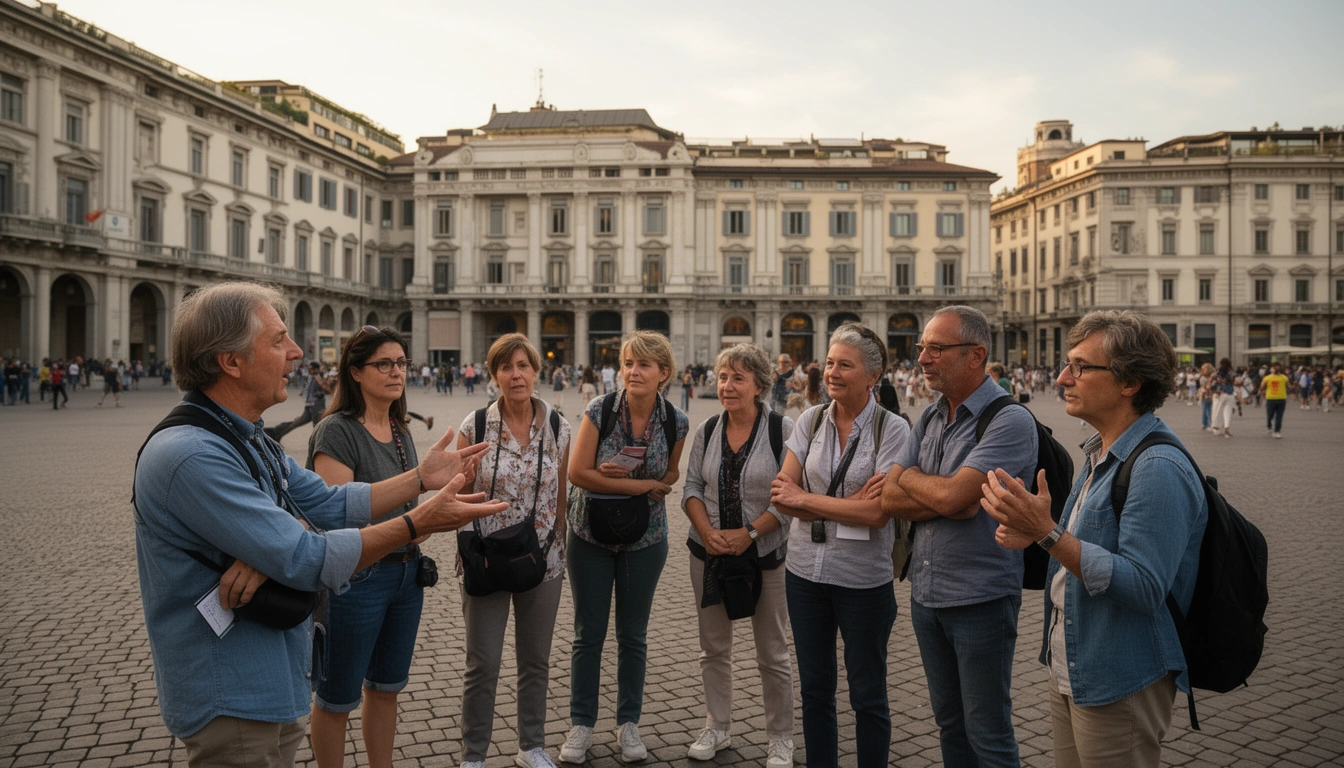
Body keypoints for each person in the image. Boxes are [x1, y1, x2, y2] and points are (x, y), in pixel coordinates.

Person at [133, 282, 501, 768]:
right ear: (231, 361)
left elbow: (328, 502)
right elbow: (307, 559)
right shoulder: (194, 453)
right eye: (277, 340)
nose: (296, 352)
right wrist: (418, 521)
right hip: (232, 692)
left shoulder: (247, 437)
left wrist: (419, 478)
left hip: (271, 678)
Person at [980, 310, 1206, 768]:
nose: (1064, 377)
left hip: (1120, 673)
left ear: (1129, 382)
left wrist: (1046, 532)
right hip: (1076, 661)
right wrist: (1036, 534)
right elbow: (1079, 547)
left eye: (1081, 366)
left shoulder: (1156, 466)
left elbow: (1143, 586)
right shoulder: (1102, 450)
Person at [880, 305, 1038, 768]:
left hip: (980, 599)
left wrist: (916, 480)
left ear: (976, 355)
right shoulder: (930, 417)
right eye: (922, 347)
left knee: (987, 731)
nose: (922, 358)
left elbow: (954, 499)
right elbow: (890, 496)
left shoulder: (1009, 420)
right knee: (949, 723)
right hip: (927, 596)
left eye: (936, 348)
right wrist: (937, 490)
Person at [769, 324, 909, 768]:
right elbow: (780, 495)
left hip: (863, 579)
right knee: (815, 691)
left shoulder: (895, 430)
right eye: (829, 362)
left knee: (868, 694)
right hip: (805, 574)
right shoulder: (809, 421)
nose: (832, 372)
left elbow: (877, 514)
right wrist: (843, 504)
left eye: (844, 365)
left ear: (874, 375)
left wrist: (806, 500)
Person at [304, 325, 435, 768]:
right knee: (337, 698)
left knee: (385, 689)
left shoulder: (400, 430)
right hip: (356, 580)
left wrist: (433, 517)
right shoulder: (336, 431)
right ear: (356, 372)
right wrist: (416, 519)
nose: (396, 372)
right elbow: (335, 515)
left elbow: (409, 509)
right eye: (384, 364)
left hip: (405, 575)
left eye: (401, 363)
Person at [562, 331, 689, 764]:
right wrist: (625, 479)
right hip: (590, 535)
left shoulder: (677, 421)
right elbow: (578, 473)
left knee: (633, 636)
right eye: (628, 363)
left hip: (646, 537)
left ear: (663, 374)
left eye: (644, 365)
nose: (633, 372)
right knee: (588, 634)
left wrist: (658, 485)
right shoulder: (600, 409)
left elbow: (671, 474)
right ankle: (581, 724)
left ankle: (628, 723)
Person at [455, 334, 572, 768]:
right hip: (486, 558)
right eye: (506, 367)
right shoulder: (476, 427)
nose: (516, 374)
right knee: (482, 662)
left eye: (523, 365)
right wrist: (465, 548)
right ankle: (473, 756)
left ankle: (532, 747)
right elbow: (460, 494)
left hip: (542, 561)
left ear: (537, 371)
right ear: (494, 375)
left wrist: (557, 542)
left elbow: (561, 494)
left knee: (535, 660)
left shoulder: (559, 426)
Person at [682, 345, 796, 766]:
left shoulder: (783, 432)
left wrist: (749, 533)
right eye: (723, 377)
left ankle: (781, 736)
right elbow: (692, 487)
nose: (727, 386)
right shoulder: (708, 429)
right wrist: (709, 532)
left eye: (738, 378)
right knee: (713, 647)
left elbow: (788, 499)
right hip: (707, 553)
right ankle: (717, 726)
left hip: (764, 553)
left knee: (773, 651)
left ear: (760, 386)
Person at [266, 361, 332, 442]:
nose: (309, 370)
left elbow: (328, 390)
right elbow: (308, 388)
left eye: (311, 369)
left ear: (316, 369)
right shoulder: (311, 377)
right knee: (296, 423)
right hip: (309, 406)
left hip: (317, 406)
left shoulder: (320, 377)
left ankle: (320, 446)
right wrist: (303, 393)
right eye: (309, 368)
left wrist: (322, 383)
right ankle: (276, 433)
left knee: (318, 427)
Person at [1260, 361, 1289, 438]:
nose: (1277, 369)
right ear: (1272, 368)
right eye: (1275, 367)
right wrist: (1262, 390)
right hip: (1270, 399)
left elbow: (1288, 386)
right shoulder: (1267, 377)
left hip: (1281, 398)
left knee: (1279, 416)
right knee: (1270, 415)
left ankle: (1277, 431)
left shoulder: (1284, 377)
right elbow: (1262, 386)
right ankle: (1269, 425)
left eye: (1278, 367)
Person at [1209, 359, 1236, 438]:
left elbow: (1212, 382)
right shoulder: (1232, 373)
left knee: (1217, 411)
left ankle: (1216, 426)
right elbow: (1234, 381)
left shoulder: (1217, 373)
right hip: (1230, 393)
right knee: (1228, 412)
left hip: (1219, 393)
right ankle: (1226, 428)